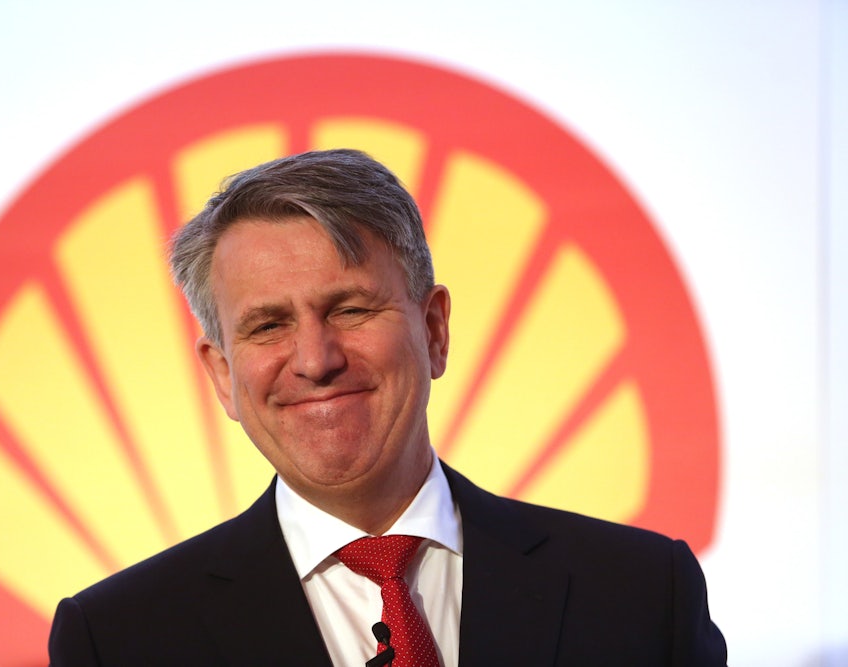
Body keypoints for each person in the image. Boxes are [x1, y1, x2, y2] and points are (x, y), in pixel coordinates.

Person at [48, 148, 727, 666]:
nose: (315, 360)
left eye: (350, 309)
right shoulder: (117, 640)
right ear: (222, 374)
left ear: (433, 330)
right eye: (268, 326)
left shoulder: (641, 592)